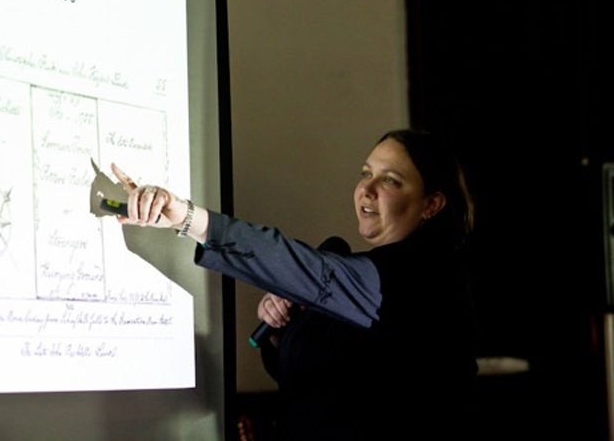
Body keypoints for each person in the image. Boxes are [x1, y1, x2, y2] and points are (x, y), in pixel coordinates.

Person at [110, 128, 479, 441]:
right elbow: (325, 378)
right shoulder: (361, 275)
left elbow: (298, 264)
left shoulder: (421, 278)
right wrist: (279, 332)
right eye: (366, 173)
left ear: (431, 204)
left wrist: (189, 218)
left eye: (390, 181)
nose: (366, 189)